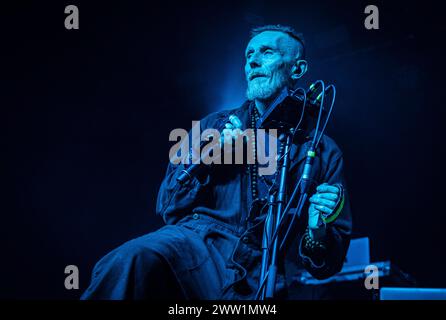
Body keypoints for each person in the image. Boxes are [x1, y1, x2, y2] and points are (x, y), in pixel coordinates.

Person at [81, 24, 352, 300]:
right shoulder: (215, 125)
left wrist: (317, 231)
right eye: (248, 55)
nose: (253, 61)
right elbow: (166, 204)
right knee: (132, 259)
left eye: (267, 52)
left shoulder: (323, 150)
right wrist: (209, 158)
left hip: (264, 268)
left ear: (297, 70)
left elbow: (327, 265)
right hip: (195, 246)